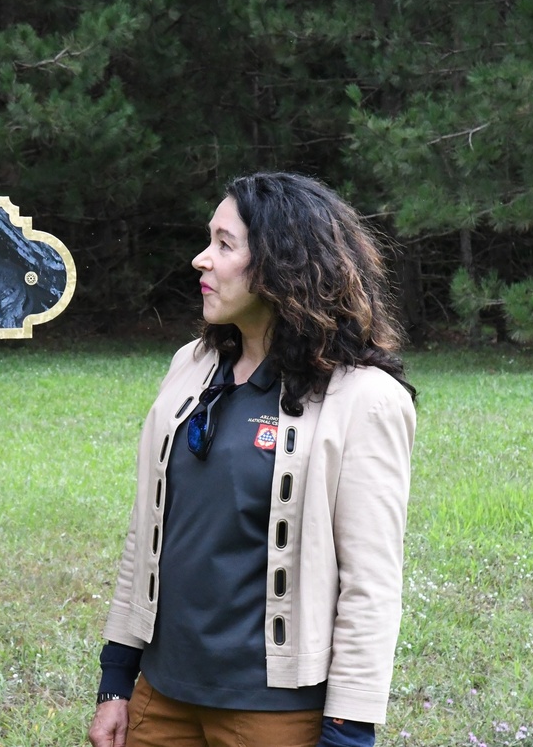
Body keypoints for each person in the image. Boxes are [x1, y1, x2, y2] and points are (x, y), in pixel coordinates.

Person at [88, 172, 417, 747]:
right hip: (161, 696)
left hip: (274, 714)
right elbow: (147, 536)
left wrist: (347, 730)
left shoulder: (363, 399)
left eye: (223, 243)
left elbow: (371, 583)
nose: (201, 260)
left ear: (280, 264)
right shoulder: (190, 367)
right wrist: (117, 679)